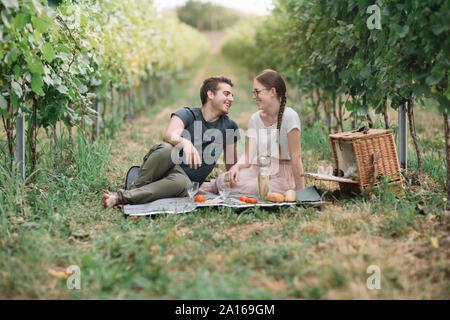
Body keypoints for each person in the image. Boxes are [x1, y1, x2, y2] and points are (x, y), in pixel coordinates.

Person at [102, 76, 240, 208]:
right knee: (166, 149)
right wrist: (185, 143)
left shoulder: (229, 126)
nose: (231, 99)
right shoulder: (187, 114)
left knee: (184, 184)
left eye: (232, 96)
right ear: (210, 94)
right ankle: (135, 191)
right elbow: (169, 135)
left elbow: (231, 165)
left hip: (182, 180)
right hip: (164, 165)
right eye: (226, 94)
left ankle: (123, 197)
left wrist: (238, 172)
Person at [200, 69, 305, 196]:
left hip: (282, 174)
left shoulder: (290, 117)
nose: (254, 96)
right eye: (253, 92)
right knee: (227, 179)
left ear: (272, 92)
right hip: (259, 168)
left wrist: (301, 191)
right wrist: (236, 167)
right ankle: (216, 185)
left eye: (257, 92)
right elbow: (248, 156)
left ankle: (213, 187)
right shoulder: (255, 118)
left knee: (256, 188)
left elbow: (296, 157)